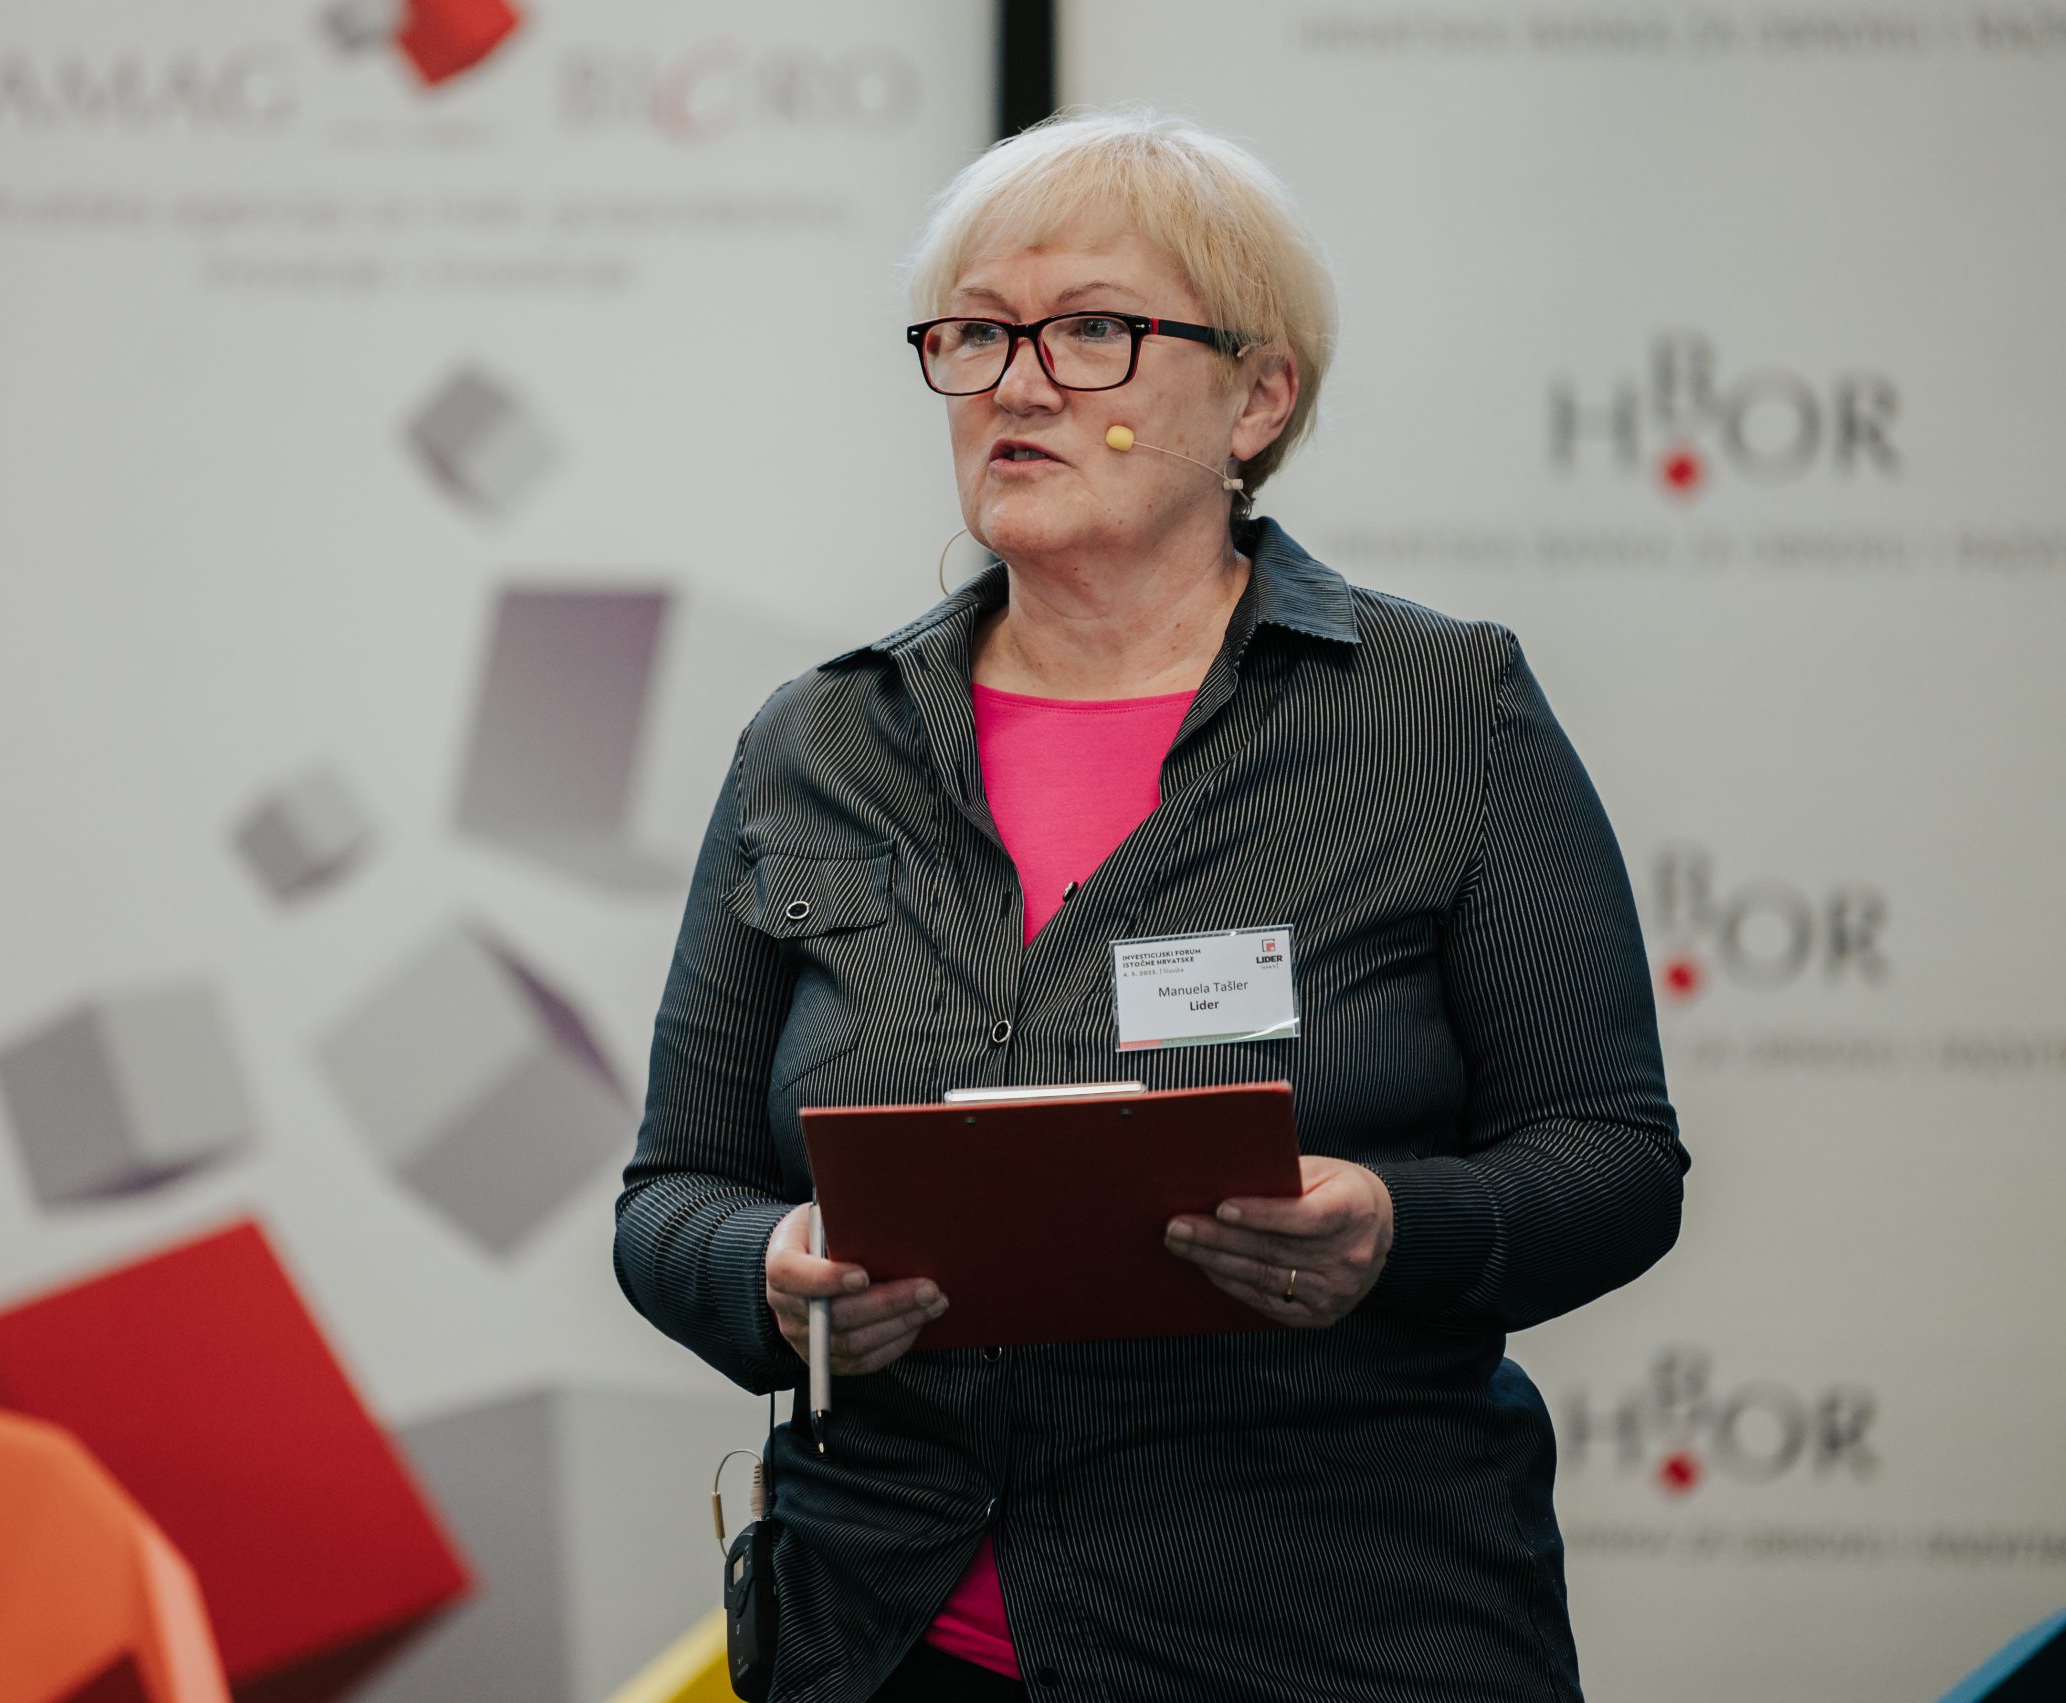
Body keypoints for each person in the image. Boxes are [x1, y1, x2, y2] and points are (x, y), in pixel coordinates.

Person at [613, 110, 1684, 1703]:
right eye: (977, 333)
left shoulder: (1441, 711)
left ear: (1259, 397)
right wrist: (766, 1262)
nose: (1018, 383)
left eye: (1093, 330)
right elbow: (669, 1194)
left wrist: (1394, 1227)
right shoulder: (818, 739)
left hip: (1325, 1639)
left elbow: (1612, 1157)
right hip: (885, 1637)